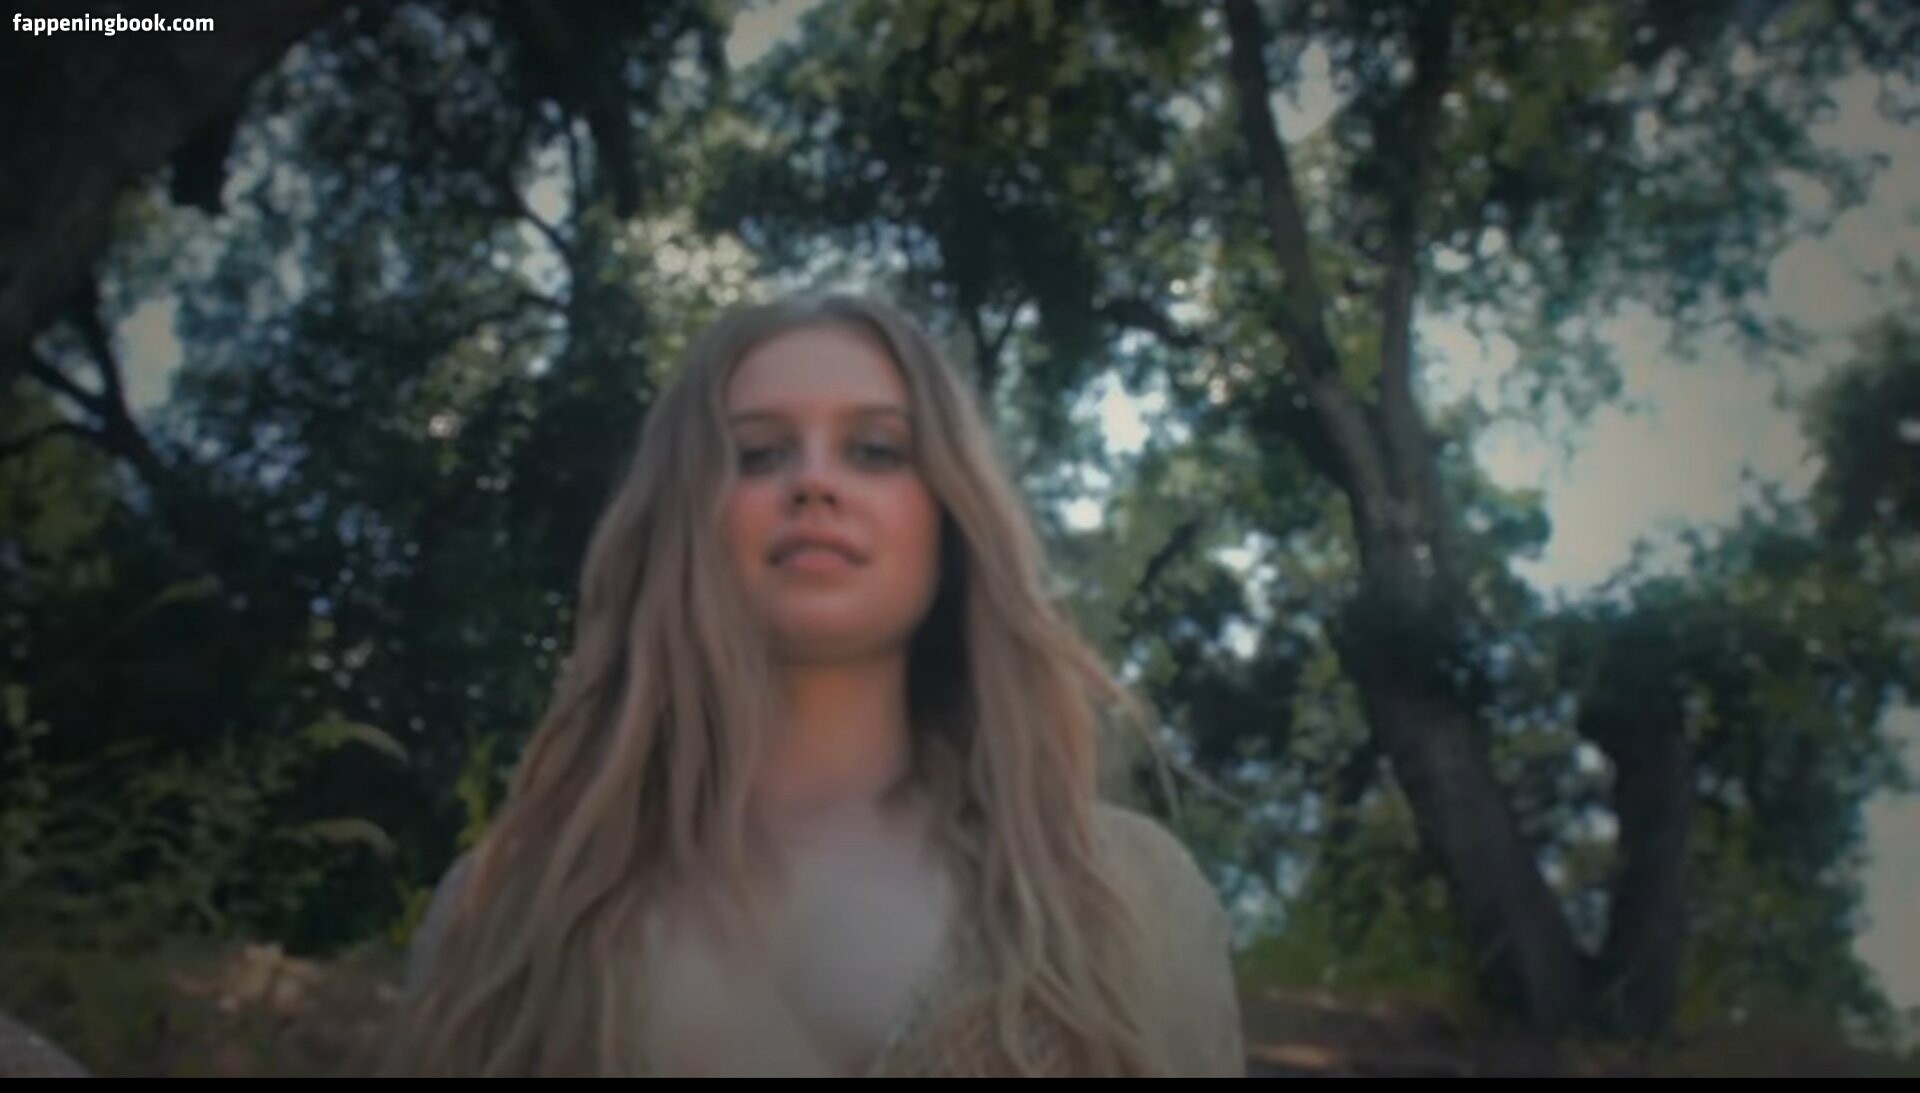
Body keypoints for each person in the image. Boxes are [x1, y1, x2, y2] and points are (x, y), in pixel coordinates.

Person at [383, 294, 1243, 1077]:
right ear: (682, 520)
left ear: (949, 517)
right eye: (757, 454)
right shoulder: (499, 919)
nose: (814, 483)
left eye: (875, 450)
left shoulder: (1133, 898)